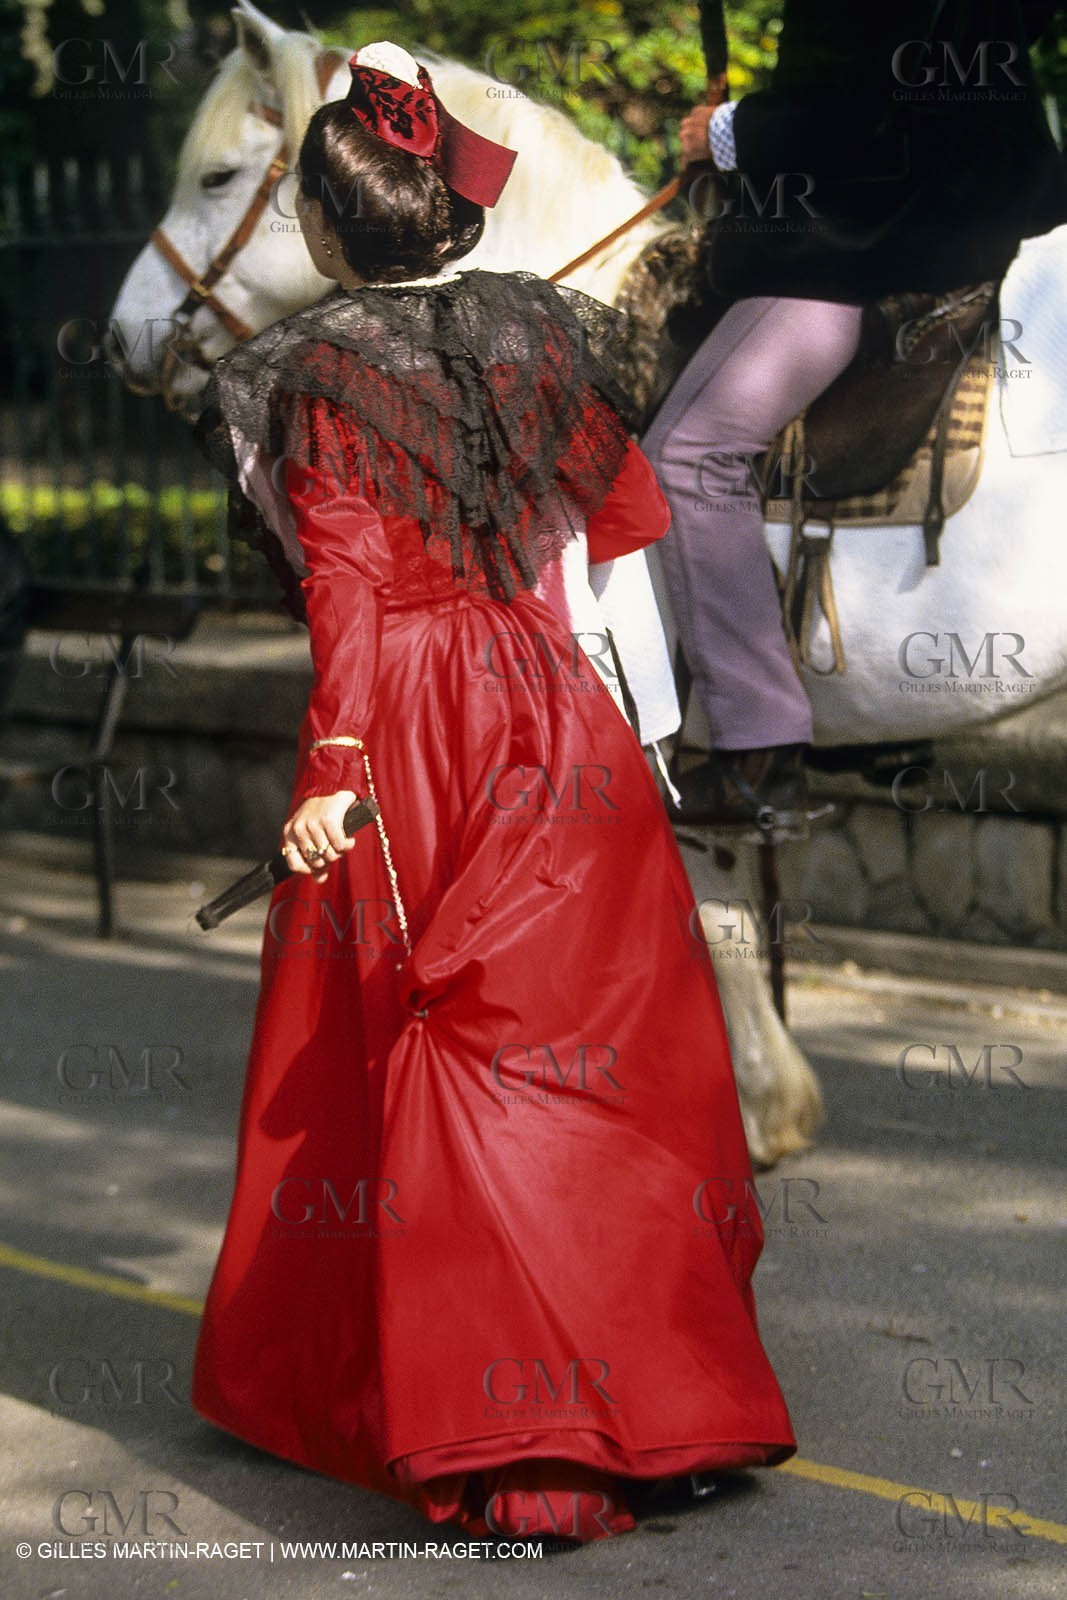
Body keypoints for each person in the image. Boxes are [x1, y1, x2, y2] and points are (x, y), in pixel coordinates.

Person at [191, 42, 795, 1544]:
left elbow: (348, 596)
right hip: (558, 718)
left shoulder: (318, 376)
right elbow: (628, 518)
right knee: (592, 1062)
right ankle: (669, 1406)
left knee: (433, 1055)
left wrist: (333, 769)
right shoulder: (552, 340)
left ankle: (505, 1429)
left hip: (408, 729)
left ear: (332, 234)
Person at [644, 0, 1067, 827]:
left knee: (689, 452)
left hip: (887, 243)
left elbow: (872, 113)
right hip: (1006, 211)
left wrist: (728, 134)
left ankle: (756, 745)